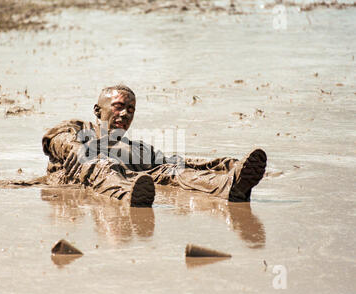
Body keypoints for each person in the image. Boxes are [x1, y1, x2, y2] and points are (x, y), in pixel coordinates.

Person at [42, 84, 267, 207]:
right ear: (98, 110)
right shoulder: (80, 129)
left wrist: (230, 165)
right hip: (97, 177)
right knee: (101, 162)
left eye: (131, 110)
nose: (125, 114)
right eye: (118, 106)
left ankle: (230, 186)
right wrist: (77, 148)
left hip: (138, 180)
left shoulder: (135, 148)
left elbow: (178, 162)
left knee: (171, 171)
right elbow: (55, 139)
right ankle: (127, 195)